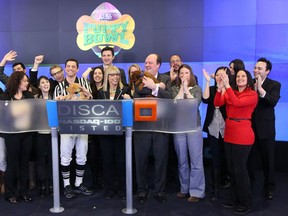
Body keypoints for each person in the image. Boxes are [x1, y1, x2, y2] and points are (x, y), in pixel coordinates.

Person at [214, 69, 258, 214]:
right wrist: (220, 89)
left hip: (243, 134)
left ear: (248, 79)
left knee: (240, 170)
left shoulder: (252, 94)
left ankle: (246, 203)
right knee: (232, 169)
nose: (240, 78)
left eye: (243, 76)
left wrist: (227, 87)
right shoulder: (231, 91)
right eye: (238, 76)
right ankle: (234, 199)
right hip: (229, 133)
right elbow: (217, 103)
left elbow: (237, 103)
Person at [133, 53, 171, 204]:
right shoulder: (138, 79)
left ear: (158, 65)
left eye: (150, 62)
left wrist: (153, 87)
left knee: (161, 160)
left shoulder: (166, 79)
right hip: (142, 127)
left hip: (160, 127)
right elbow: (138, 94)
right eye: (146, 62)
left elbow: (168, 97)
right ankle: (142, 190)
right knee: (140, 161)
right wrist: (156, 91)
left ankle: (159, 191)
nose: (147, 65)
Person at [53, 58, 93, 199]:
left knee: (82, 155)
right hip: (66, 124)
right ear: (65, 68)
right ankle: (66, 185)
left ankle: (78, 183)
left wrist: (82, 91)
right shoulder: (59, 86)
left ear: (77, 68)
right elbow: (55, 106)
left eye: (73, 66)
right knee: (65, 156)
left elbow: (90, 99)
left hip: (82, 123)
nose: (70, 68)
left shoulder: (84, 82)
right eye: (68, 66)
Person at [248, 57, 281, 200]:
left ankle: (269, 187)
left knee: (268, 160)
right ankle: (250, 186)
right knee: (249, 160)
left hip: (266, 129)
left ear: (267, 71)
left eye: (259, 68)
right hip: (249, 129)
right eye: (255, 67)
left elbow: (272, 101)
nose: (256, 70)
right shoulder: (249, 83)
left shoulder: (274, 84)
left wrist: (260, 89)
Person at [172, 64, 205, 203]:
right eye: (181, 73)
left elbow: (194, 104)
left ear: (191, 74)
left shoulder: (197, 89)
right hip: (179, 127)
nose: (183, 75)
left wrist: (187, 90)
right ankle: (184, 188)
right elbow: (175, 104)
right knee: (182, 159)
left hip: (194, 126)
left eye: (186, 73)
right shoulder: (174, 89)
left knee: (196, 160)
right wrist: (181, 89)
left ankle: (197, 191)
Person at [0, 72, 35, 204]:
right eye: (24, 81)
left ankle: (24, 192)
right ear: (17, 82)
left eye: (27, 81)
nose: (27, 83)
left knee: (24, 164)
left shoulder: (28, 96)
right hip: (11, 135)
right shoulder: (5, 97)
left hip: (26, 134)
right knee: (12, 164)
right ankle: (10, 193)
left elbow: (34, 113)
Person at [98, 66, 131, 200]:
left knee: (121, 161)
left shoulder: (125, 90)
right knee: (107, 161)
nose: (115, 78)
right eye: (112, 75)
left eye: (117, 75)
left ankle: (123, 189)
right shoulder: (101, 92)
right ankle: (109, 189)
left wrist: (129, 99)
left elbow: (130, 110)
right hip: (105, 132)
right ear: (107, 77)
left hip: (120, 132)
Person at [202, 67, 232, 202]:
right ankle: (215, 188)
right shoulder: (213, 89)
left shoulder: (231, 90)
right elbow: (205, 99)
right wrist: (208, 82)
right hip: (213, 128)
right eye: (218, 74)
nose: (220, 77)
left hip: (228, 129)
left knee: (228, 158)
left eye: (223, 74)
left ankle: (227, 183)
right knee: (215, 159)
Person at [34, 76, 53, 197]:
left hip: (53, 134)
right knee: (40, 161)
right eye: (42, 83)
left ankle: (51, 185)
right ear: (39, 86)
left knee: (52, 160)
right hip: (39, 134)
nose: (45, 84)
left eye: (47, 82)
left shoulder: (55, 97)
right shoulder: (34, 99)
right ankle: (41, 185)